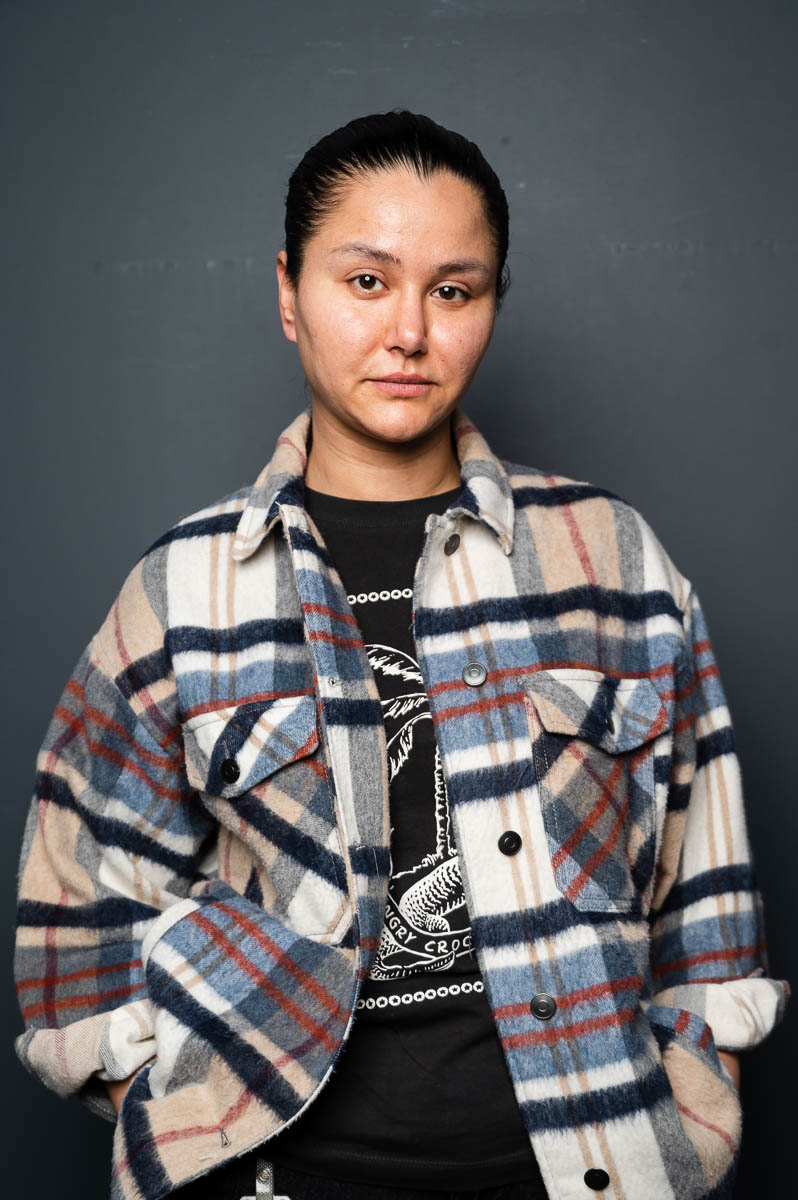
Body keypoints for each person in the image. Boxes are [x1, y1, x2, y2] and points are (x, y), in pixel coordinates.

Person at [13, 110, 789, 1200]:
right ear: (291, 293)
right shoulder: (181, 588)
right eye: (366, 282)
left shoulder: (611, 556)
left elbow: (704, 897)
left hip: (583, 1173)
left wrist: (693, 1096)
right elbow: (75, 938)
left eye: (455, 289)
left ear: (489, 306)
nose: (410, 332)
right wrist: (192, 1096)